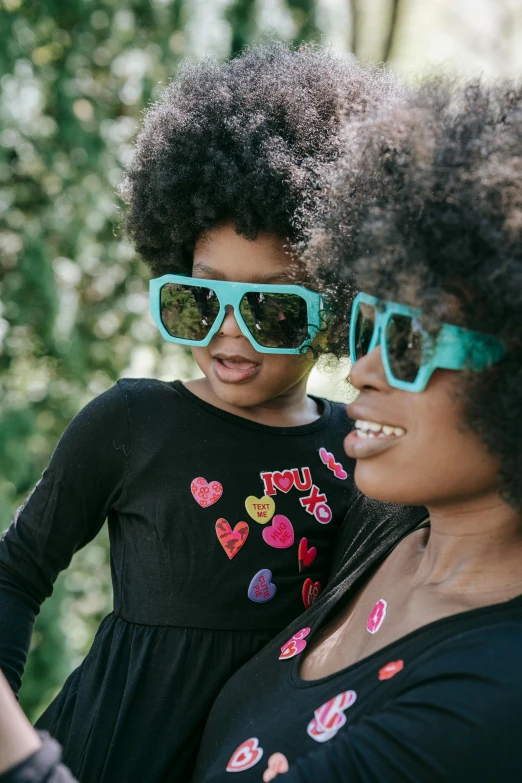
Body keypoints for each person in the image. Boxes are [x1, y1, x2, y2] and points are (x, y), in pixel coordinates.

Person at [0, 46, 399, 783]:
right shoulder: (131, 422)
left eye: (275, 307)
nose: (231, 331)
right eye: (201, 297)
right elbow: (14, 572)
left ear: (336, 308)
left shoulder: (361, 446)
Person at [189, 79, 522, 781]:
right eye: (369, 325)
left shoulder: (495, 693)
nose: (361, 370)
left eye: (412, 342)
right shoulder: (383, 522)